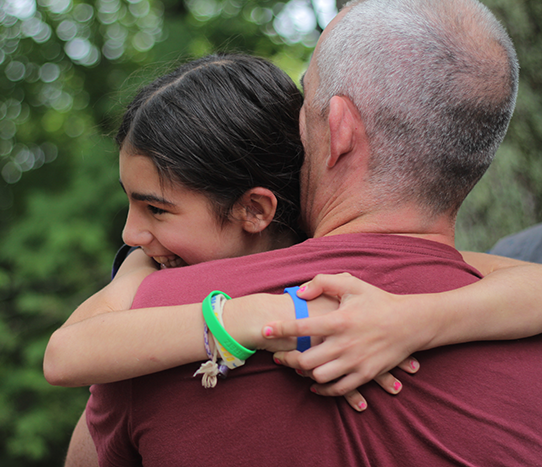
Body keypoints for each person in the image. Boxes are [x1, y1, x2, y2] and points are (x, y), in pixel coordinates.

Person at [69, 0, 542, 464]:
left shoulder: (149, 332)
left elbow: (70, 358)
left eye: (307, 95)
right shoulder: (508, 303)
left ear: (339, 130)